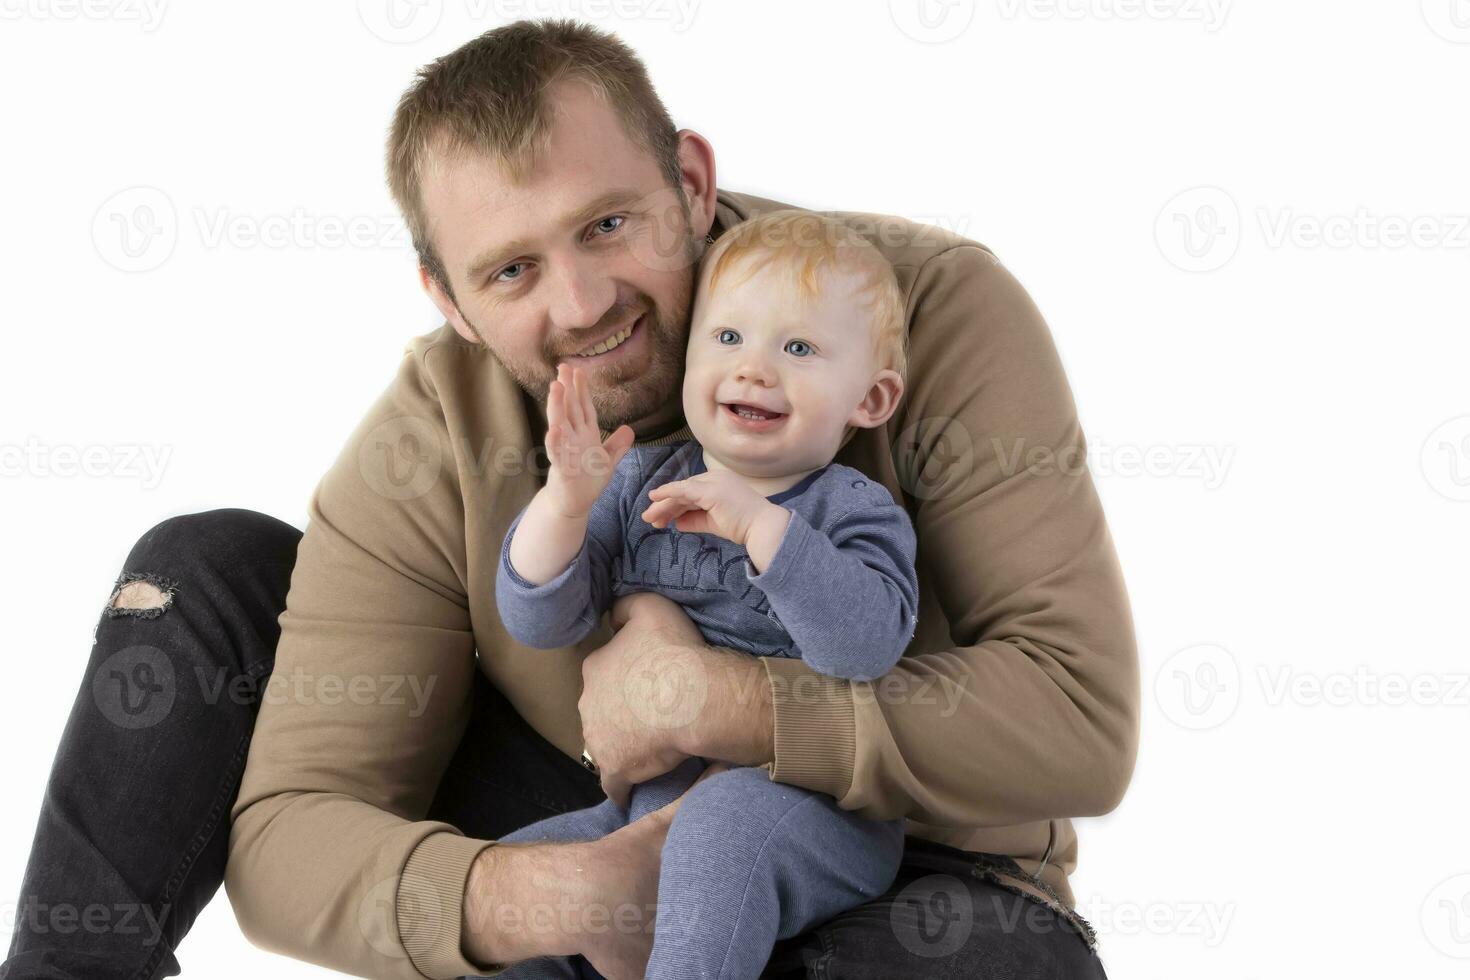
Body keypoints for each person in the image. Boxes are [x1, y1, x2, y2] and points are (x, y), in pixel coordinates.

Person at [1, 18, 1138, 980]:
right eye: (511, 269)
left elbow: (1080, 722)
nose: (585, 301)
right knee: (207, 570)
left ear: (690, 185)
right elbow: (290, 836)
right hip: (613, 829)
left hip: (916, 867)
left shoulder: (916, 312)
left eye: (608, 224)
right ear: (448, 298)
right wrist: (555, 894)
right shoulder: (433, 430)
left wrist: (717, 698)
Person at [493, 210, 918, 979]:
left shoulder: (851, 509)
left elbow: (867, 644)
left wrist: (763, 527)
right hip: (643, 812)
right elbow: (541, 618)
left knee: (722, 827)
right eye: (728, 339)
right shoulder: (642, 482)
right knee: (519, 881)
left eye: (799, 348)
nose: (754, 368)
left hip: (814, 811)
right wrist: (565, 501)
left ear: (872, 400)